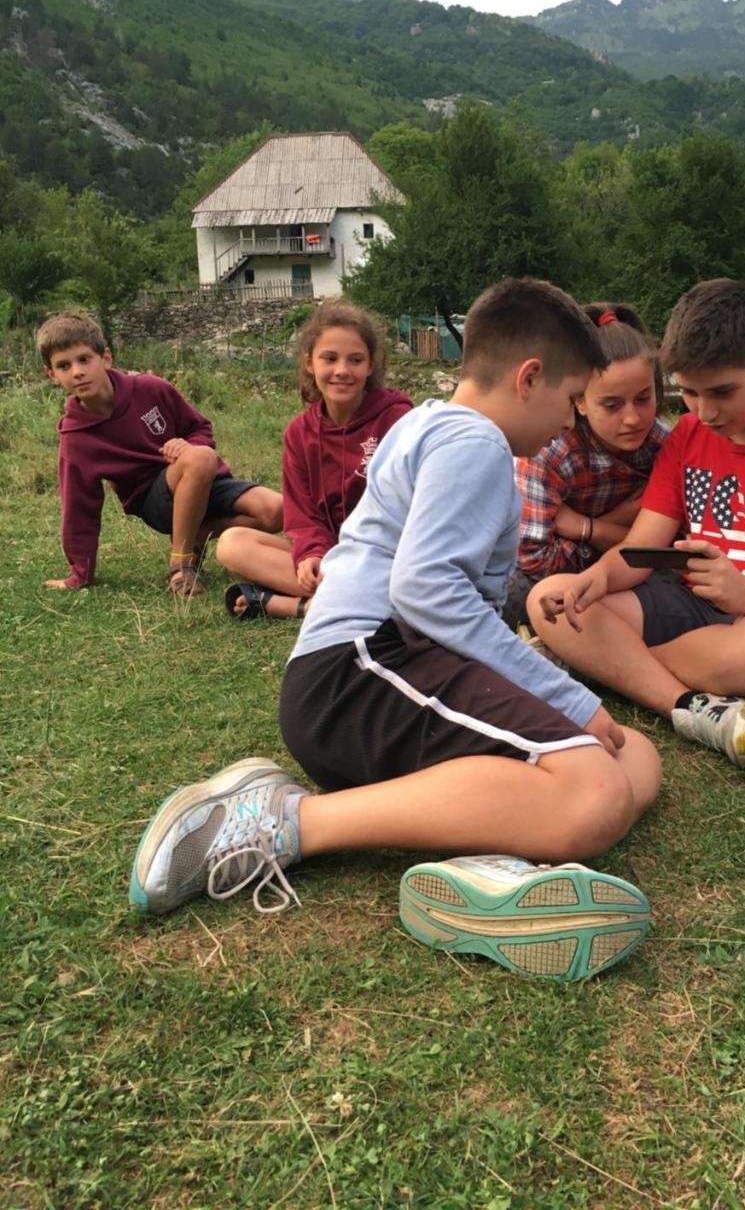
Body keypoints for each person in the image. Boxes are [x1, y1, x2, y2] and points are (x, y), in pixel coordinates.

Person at [129, 278, 662, 982]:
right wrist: (567, 698)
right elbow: (426, 591)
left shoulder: (427, 422)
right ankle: (278, 822)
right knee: (596, 789)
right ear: (530, 379)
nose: (571, 425)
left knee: (636, 760)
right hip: (363, 671)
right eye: (571, 404)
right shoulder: (475, 442)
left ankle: (491, 864)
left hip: (375, 675)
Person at [526, 278, 745, 772]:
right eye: (688, 393)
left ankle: (610, 668)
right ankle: (688, 706)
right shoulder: (688, 434)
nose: (704, 412)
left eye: (722, 392)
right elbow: (643, 545)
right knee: (554, 602)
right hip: (692, 606)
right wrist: (595, 580)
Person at [39, 311, 283, 596]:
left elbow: (199, 428)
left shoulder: (150, 389)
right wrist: (80, 573)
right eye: (64, 366)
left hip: (205, 480)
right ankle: (180, 567)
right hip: (154, 502)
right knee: (200, 458)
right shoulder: (76, 439)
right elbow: (79, 509)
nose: (77, 371)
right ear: (52, 374)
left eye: (84, 359)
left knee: (277, 511)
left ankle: (196, 536)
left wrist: (187, 444)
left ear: (106, 358)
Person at [216, 301, 412, 620]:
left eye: (356, 360)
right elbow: (303, 513)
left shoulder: (397, 419)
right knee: (232, 543)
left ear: (371, 366)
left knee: (398, 582)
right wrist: (312, 553)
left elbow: (411, 507)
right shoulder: (299, 433)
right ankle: (343, 599)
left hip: (388, 558)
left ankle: (294, 606)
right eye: (329, 358)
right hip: (332, 559)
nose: (342, 371)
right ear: (310, 363)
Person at [503, 302, 669, 629]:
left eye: (643, 398)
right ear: (579, 400)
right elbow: (535, 562)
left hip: (623, 571)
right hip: (532, 571)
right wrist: (615, 526)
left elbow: (667, 545)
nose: (633, 418)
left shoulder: (664, 445)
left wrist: (582, 525)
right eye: (612, 405)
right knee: (518, 596)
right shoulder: (548, 454)